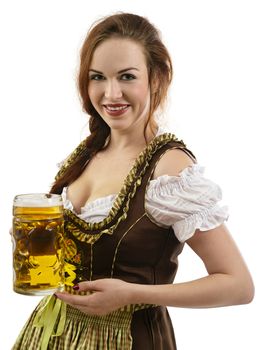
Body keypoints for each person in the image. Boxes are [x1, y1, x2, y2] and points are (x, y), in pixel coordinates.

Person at [12, 12, 254, 350]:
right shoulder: (86, 153)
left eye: (126, 76)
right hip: (51, 332)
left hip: (126, 338)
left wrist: (132, 294)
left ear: (157, 77)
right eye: (98, 77)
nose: (111, 94)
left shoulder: (169, 168)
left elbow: (238, 285)